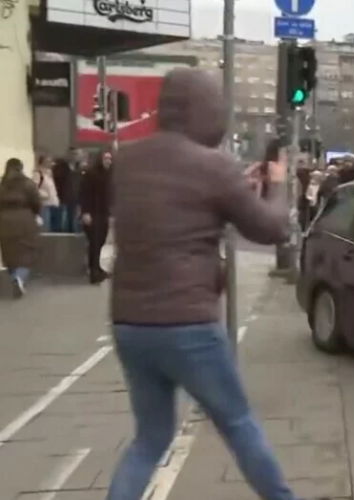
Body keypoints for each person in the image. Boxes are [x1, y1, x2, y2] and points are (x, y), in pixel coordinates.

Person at [107, 68, 298, 500]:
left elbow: (176, 206)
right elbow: (269, 228)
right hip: (187, 324)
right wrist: (279, 187)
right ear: (203, 110)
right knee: (237, 422)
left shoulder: (128, 160)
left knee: (149, 439)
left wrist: (235, 184)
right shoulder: (214, 166)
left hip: (130, 323)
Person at [0, 158, 41, 298]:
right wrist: (35, 214)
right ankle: (19, 278)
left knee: (9, 253)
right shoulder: (28, 184)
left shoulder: (2, 184)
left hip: (4, 221)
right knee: (28, 252)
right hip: (25, 220)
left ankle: (14, 278)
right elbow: (36, 202)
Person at [79, 150, 113, 285]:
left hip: (103, 213)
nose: (108, 161)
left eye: (110, 159)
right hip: (92, 213)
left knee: (100, 242)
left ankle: (97, 267)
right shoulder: (91, 174)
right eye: (106, 158)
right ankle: (93, 272)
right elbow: (84, 194)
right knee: (94, 242)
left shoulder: (108, 175)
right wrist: (85, 212)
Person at [53, 148, 83, 233]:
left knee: (73, 221)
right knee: (62, 221)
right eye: (73, 154)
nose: (74, 157)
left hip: (75, 199)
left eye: (76, 154)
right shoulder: (60, 167)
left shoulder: (79, 169)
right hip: (63, 199)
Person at [33, 154, 59, 232]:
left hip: (52, 203)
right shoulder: (38, 173)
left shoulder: (50, 173)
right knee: (45, 226)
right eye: (48, 161)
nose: (50, 163)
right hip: (44, 203)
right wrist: (44, 194)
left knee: (53, 227)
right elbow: (35, 187)